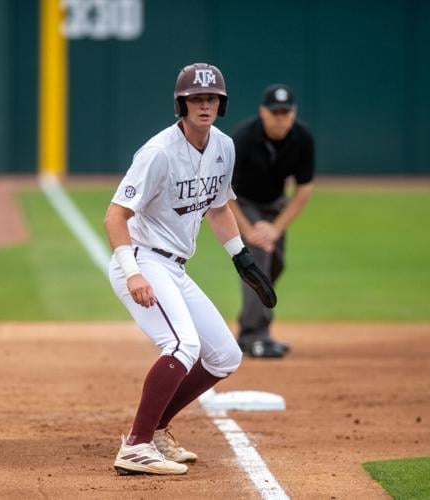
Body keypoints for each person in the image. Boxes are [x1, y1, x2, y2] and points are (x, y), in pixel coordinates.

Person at [103, 63, 276, 476]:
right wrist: (133, 272)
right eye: (196, 99)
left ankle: (157, 428)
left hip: (175, 267)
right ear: (181, 104)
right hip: (145, 259)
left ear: (221, 104)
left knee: (224, 355)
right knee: (183, 345)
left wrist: (241, 257)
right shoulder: (158, 152)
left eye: (211, 98)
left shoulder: (223, 147)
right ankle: (136, 445)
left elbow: (218, 208)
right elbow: (115, 216)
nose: (204, 105)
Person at [229, 83, 315, 358]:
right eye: (275, 112)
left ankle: (248, 327)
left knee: (276, 263)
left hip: (275, 206)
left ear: (294, 113)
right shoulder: (243, 138)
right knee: (258, 257)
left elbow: (304, 189)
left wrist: (276, 229)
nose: (281, 118)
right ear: (262, 112)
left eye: (286, 112)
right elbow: (223, 192)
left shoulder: (302, 137)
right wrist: (248, 231)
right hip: (242, 202)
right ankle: (256, 336)